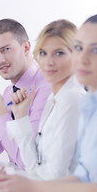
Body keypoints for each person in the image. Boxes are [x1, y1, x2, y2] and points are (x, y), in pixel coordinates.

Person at [0, 13, 97, 192]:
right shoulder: (87, 103)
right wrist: (21, 182)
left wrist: (29, 187)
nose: (83, 59)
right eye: (79, 48)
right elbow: (82, 176)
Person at [6, 19, 86, 180]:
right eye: (43, 53)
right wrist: (21, 116)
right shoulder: (54, 98)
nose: (48, 62)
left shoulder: (71, 99)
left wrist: (26, 181)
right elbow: (33, 166)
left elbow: (56, 175)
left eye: (59, 53)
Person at [0, 19, 51, 169]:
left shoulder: (46, 87)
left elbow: (27, 161)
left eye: (6, 49)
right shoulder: (9, 92)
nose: (0, 60)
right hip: (16, 183)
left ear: (26, 47)